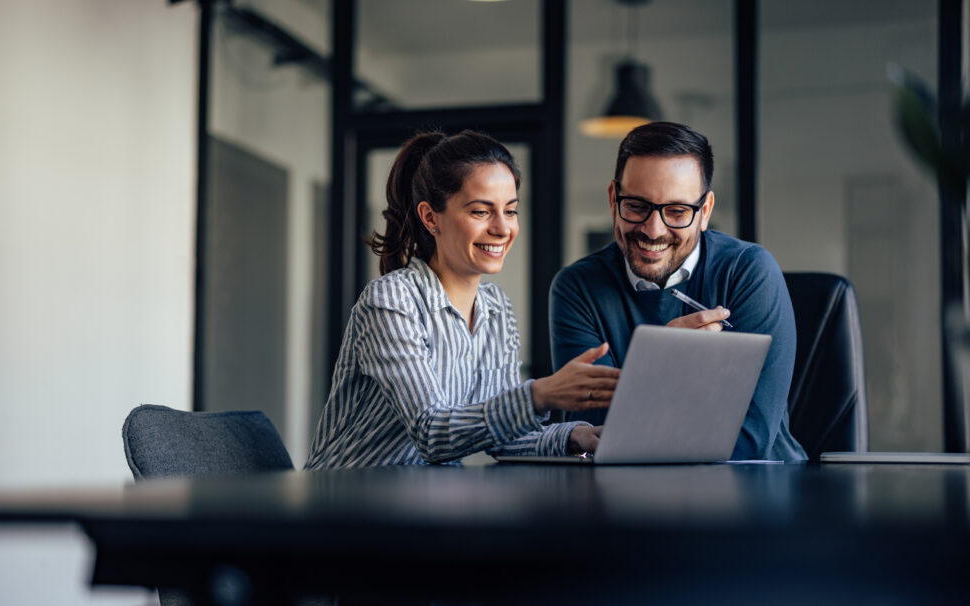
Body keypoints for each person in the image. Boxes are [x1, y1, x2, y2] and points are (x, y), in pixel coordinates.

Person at [306, 130, 620, 469]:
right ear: (430, 217)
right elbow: (432, 433)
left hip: (424, 502)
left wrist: (576, 436)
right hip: (345, 503)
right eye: (481, 212)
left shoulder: (496, 308)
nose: (503, 228)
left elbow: (502, 434)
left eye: (510, 211)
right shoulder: (390, 301)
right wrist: (539, 394)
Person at [550, 121, 807, 462]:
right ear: (614, 199)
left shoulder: (749, 272)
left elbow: (751, 436)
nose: (653, 230)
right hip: (628, 498)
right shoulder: (577, 288)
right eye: (637, 206)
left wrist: (643, 399)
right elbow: (597, 435)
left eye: (676, 211)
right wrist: (663, 364)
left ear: (705, 212)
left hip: (757, 490)